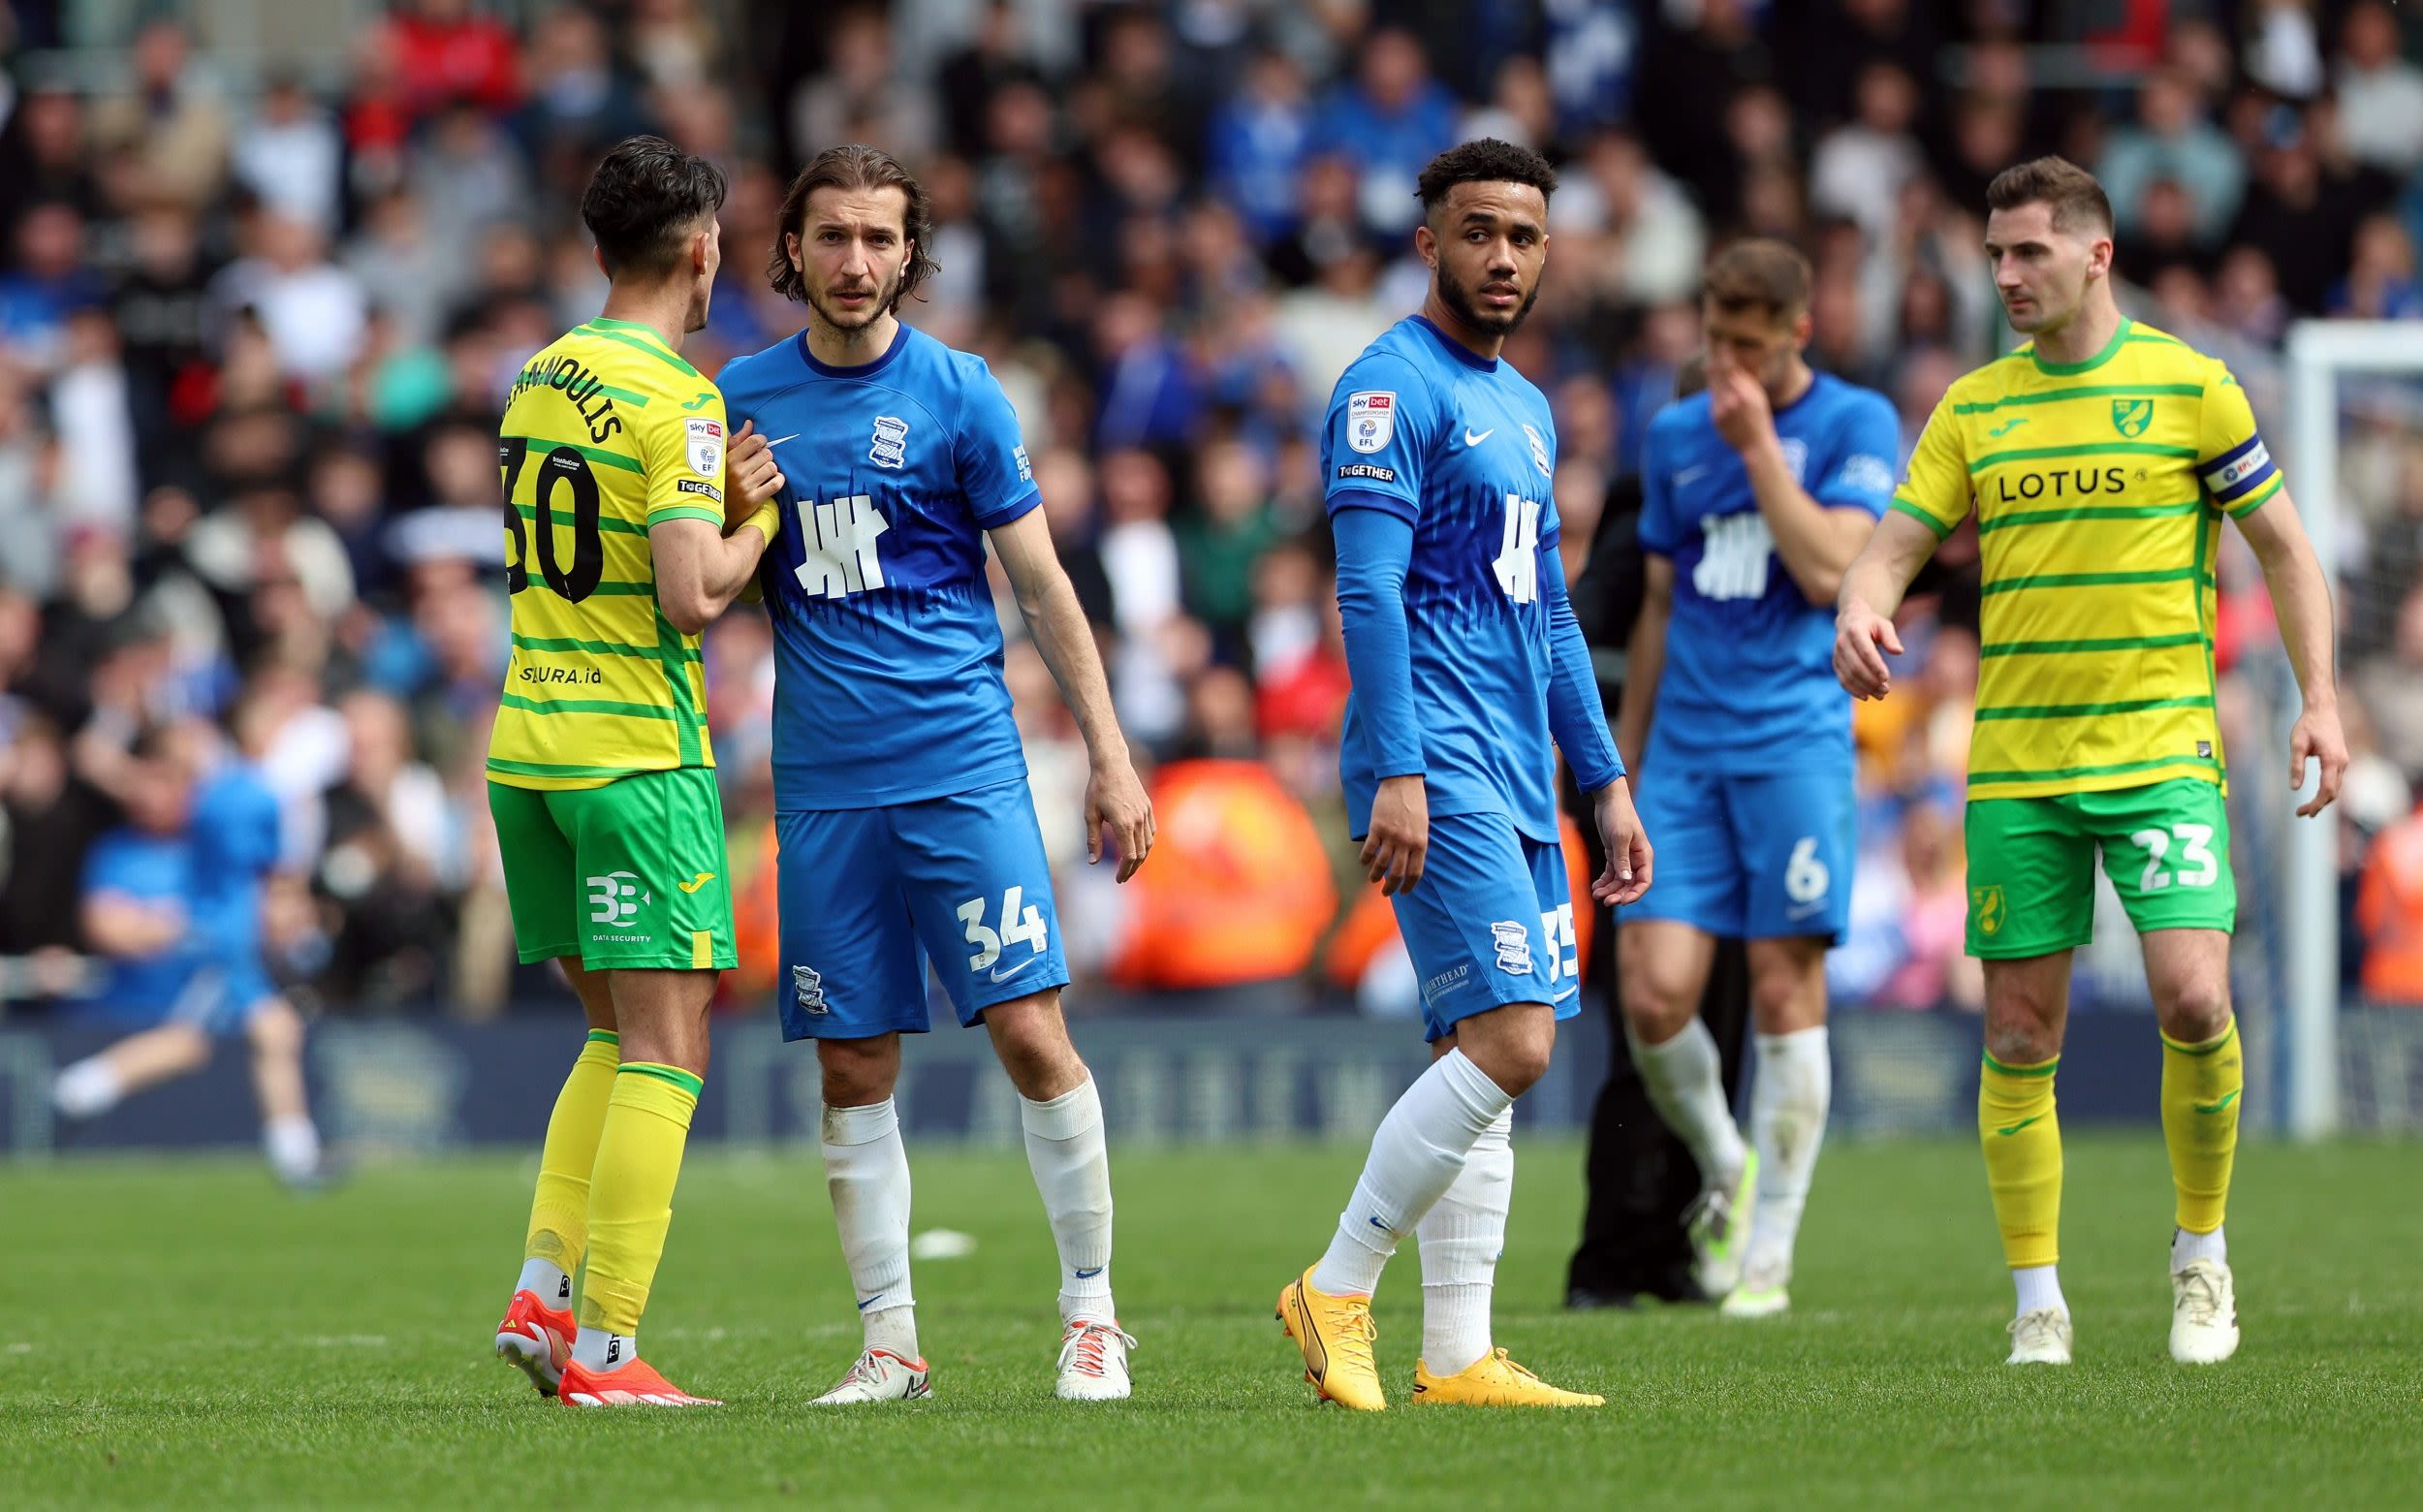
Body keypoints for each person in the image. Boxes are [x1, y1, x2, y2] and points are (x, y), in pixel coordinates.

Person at [1834, 156, 2347, 1367]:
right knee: (2017, 1035)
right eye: (1995, 254)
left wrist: (2317, 697)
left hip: (2163, 751)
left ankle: (2202, 1261)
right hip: (2017, 766)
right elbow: (1889, 548)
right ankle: (2036, 1305)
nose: (2005, 275)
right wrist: (1860, 606)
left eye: (2028, 253)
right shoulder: (1974, 406)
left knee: (2194, 997)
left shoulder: (2189, 387)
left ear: (2095, 254)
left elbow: (2285, 549)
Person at [717, 143, 1156, 1406]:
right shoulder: (739, 399)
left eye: (881, 239)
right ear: (791, 248)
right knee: (851, 1065)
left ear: (914, 254)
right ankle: (891, 1348)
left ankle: (1092, 1315)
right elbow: (705, 590)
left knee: (1029, 1030)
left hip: (962, 767)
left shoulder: (963, 394)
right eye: (834, 237)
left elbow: (1043, 586)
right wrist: (738, 512)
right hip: (822, 784)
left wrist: (1112, 759)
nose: (857, 262)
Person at [1275, 139, 1651, 1411]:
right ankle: (1336, 1283)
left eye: (1526, 236)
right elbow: (1367, 585)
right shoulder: (1388, 388)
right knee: (1514, 1041)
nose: (1504, 257)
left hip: (1516, 768)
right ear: (1428, 241)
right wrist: (1394, 766)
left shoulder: (1530, 408)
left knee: (1478, 1043)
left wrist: (1601, 781)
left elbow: (1547, 613)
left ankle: (1457, 1355)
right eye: (1479, 231)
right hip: (1435, 764)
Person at [485, 136, 784, 1409]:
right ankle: (607, 1352)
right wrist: (757, 513)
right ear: (704, 247)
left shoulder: (536, 374)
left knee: (610, 1032)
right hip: (634, 758)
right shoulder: (682, 397)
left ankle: (543, 1292)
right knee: (671, 1047)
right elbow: (691, 594)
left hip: (527, 755)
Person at [1614, 239, 1897, 1317]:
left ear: (1795, 332)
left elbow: (1835, 570)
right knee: (1651, 997)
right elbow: (1655, 607)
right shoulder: (1675, 433)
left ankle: (1768, 1249)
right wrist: (1621, 767)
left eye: (1745, 342)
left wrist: (1761, 451)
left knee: (1783, 987)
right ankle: (1730, 1163)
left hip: (1794, 740)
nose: (1724, 363)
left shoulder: (1852, 423)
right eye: (1713, 339)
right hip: (1682, 749)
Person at [1562, 354, 1754, 1312]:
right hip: (1652, 801)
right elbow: (1588, 626)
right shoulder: (1652, 498)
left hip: (1737, 796)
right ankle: (1609, 1256)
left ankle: (1677, 1243)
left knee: (1722, 1026)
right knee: (1650, 1029)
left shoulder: (1769, 500)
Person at [51, 716, 327, 1187]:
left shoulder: (211, 832)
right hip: (189, 971)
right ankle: (78, 1089)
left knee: (263, 1032)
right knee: (229, 1037)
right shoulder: (130, 848)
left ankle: (296, 1157)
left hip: (218, 960)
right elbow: (109, 925)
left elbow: (267, 893)